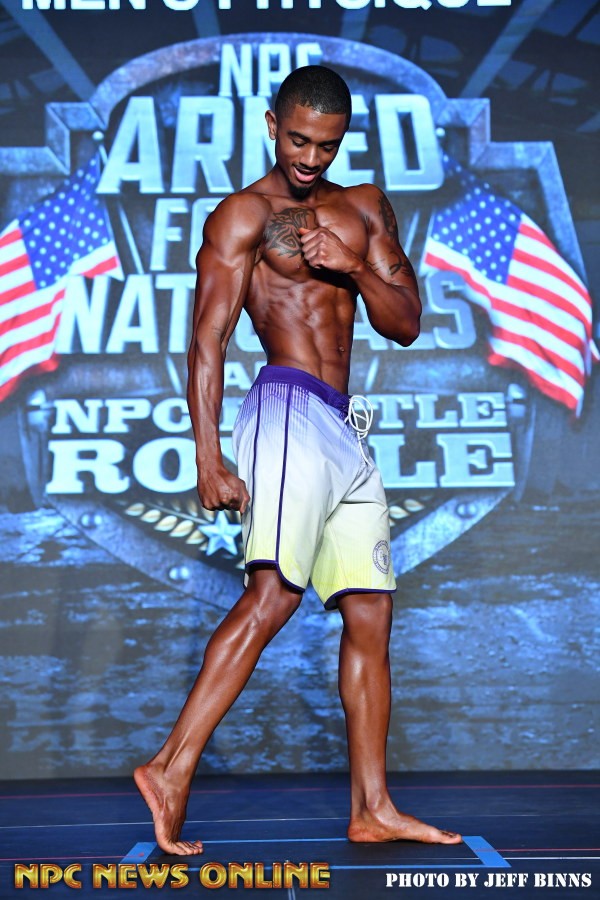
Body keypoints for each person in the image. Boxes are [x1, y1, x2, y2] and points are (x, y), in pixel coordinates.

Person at [135, 65, 461, 855]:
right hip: (285, 409)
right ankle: (170, 769)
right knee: (274, 594)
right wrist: (208, 455)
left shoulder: (365, 207)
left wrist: (352, 264)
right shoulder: (244, 215)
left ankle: (372, 808)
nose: (310, 158)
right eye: (298, 139)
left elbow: (406, 323)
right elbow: (208, 339)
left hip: (346, 428)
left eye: (326, 145)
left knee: (371, 613)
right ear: (272, 124)